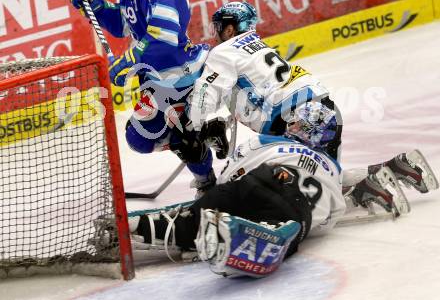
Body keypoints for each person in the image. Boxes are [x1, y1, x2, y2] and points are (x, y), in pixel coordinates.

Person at [126, 105, 438, 278]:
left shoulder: (269, 141)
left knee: (197, 216)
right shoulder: (331, 170)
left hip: (254, 180)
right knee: (289, 233)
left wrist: (219, 195)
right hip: (294, 206)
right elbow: (323, 222)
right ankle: (271, 232)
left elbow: (235, 172)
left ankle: (144, 226)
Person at [66, 0, 214, 189]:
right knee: (139, 138)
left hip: (178, 77)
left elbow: (163, 37)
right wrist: (95, 2)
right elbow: (125, 25)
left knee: (169, 136)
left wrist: (128, 61)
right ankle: (195, 134)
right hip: (155, 78)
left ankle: (205, 176)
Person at [188, 1, 343, 161]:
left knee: (246, 168)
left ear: (229, 29)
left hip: (300, 119)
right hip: (323, 109)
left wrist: (191, 129)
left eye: (217, 28)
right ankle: (368, 180)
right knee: (328, 176)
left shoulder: (223, 51)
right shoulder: (258, 46)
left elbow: (207, 93)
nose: (215, 36)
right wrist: (221, 124)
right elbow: (248, 95)